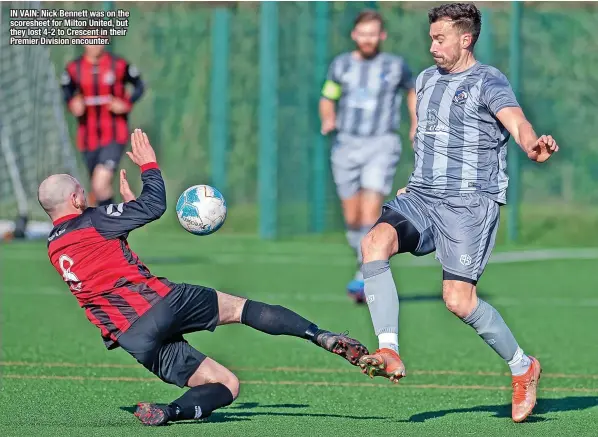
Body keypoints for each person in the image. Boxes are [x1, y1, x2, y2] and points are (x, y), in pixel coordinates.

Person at [39, 129, 369, 427]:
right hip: (161, 305)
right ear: (75, 199)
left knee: (226, 384)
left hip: (133, 337)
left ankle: (167, 412)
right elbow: (154, 205)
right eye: (82, 191)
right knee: (241, 309)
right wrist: (149, 165)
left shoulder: (55, 247)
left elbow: (104, 259)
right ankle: (319, 335)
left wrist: (126, 211)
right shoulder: (94, 219)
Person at [356, 3, 559, 423]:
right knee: (374, 242)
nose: (432, 45)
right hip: (423, 195)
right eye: (431, 37)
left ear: (465, 39)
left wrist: (530, 144)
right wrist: (415, 179)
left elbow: (516, 120)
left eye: (440, 38)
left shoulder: (488, 80)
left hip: (469, 204)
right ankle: (389, 348)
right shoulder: (426, 79)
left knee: (458, 300)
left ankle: (523, 367)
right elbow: (427, 137)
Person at [319, 9, 417, 303]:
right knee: (352, 216)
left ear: (381, 36)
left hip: (381, 143)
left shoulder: (395, 66)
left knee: (371, 208)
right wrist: (328, 118)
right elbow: (328, 96)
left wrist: (415, 123)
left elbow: (412, 91)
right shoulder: (341, 66)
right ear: (354, 35)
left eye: (373, 33)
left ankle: (365, 273)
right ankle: (363, 261)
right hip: (347, 145)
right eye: (363, 33)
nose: (368, 38)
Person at [61, 34, 145, 207]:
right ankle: (109, 228)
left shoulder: (118, 65)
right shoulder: (73, 68)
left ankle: (114, 227)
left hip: (114, 135)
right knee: (99, 189)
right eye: (89, 39)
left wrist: (125, 103)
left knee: (100, 184)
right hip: (88, 138)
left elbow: (139, 85)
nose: (94, 44)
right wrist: (72, 103)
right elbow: (66, 92)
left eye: (98, 39)